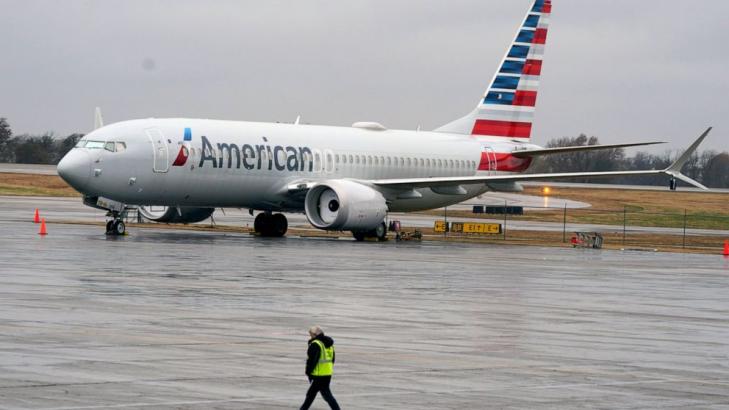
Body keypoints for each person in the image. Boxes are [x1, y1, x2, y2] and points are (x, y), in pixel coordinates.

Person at [300, 325, 341, 410]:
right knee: (325, 394)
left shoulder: (316, 344)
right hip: (327, 373)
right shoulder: (329, 344)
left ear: (315, 334)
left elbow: (312, 360)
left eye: (311, 334)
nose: (310, 336)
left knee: (311, 395)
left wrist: (308, 372)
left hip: (318, 374)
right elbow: (332, 359)